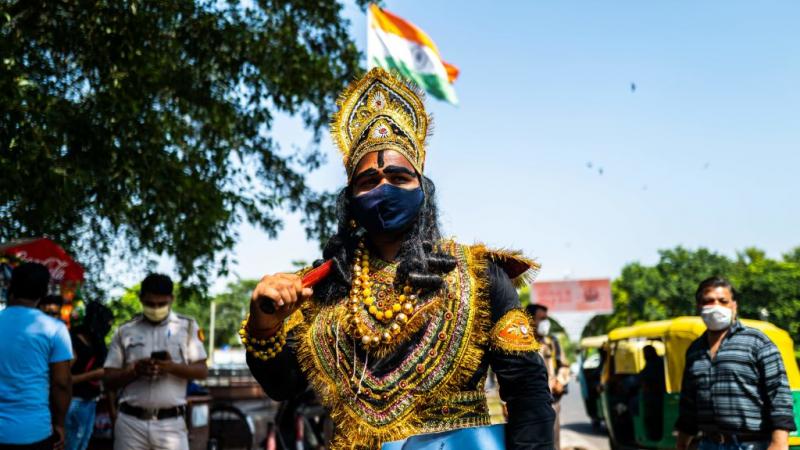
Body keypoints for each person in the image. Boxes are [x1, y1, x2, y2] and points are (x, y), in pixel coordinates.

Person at [244, 68, 555, 450]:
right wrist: (264, 326)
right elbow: (283, 385)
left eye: (398, 177)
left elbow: (527, 394)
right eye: (368, 181)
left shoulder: (480, 277)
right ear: (351, 200)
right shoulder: (318, 289)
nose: (384, 188)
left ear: (422, 189)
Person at [675, 276, 796, 450]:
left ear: (734, 305)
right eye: (708, 301)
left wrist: (779, 443)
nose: (716, 306)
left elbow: (779, 395)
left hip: (750, 444)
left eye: (723, 301)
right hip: (708, 444)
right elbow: (688, 404)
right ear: (699, 306)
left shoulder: (757, 342)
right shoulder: (695, 350)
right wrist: (681, 444)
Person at [104, 274, 208, 450]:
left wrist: (171, 367)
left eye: (161, 304)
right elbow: (108, 380)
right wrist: (135, 371)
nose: (156, 308)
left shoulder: (187, 327)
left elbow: (202, 371)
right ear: (141, 299)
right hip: (130, 425)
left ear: (171, 300)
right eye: (150, 304)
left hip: (171, 426)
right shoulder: (125, 331)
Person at [0, 263, 72, 450]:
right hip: (34, 431)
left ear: (10, 287)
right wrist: (60, 424)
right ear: (44, 292)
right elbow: (61, 383)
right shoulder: (55, 329)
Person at [65, 301, 114, 450]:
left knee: (83, 443)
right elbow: (63, 379)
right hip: (74, 400)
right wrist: (95, 374)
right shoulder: (72, 340)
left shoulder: (97, 342)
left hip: (90, 401)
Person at [527, 303, 570, 450]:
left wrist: (560, 381)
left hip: (551, 400)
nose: (546, 323)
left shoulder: (552, 343)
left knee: (553, 442)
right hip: (527, 403)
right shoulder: (520, 343)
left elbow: (564, 365)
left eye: (546, 318)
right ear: (530, 320)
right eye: (541, 318)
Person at [637, 345, 664, 441]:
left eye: (646, 353)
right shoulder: (657, 362)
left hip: (655, 397)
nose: (644, 355)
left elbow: (644, 377)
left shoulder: (654, 363)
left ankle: (652, 437)